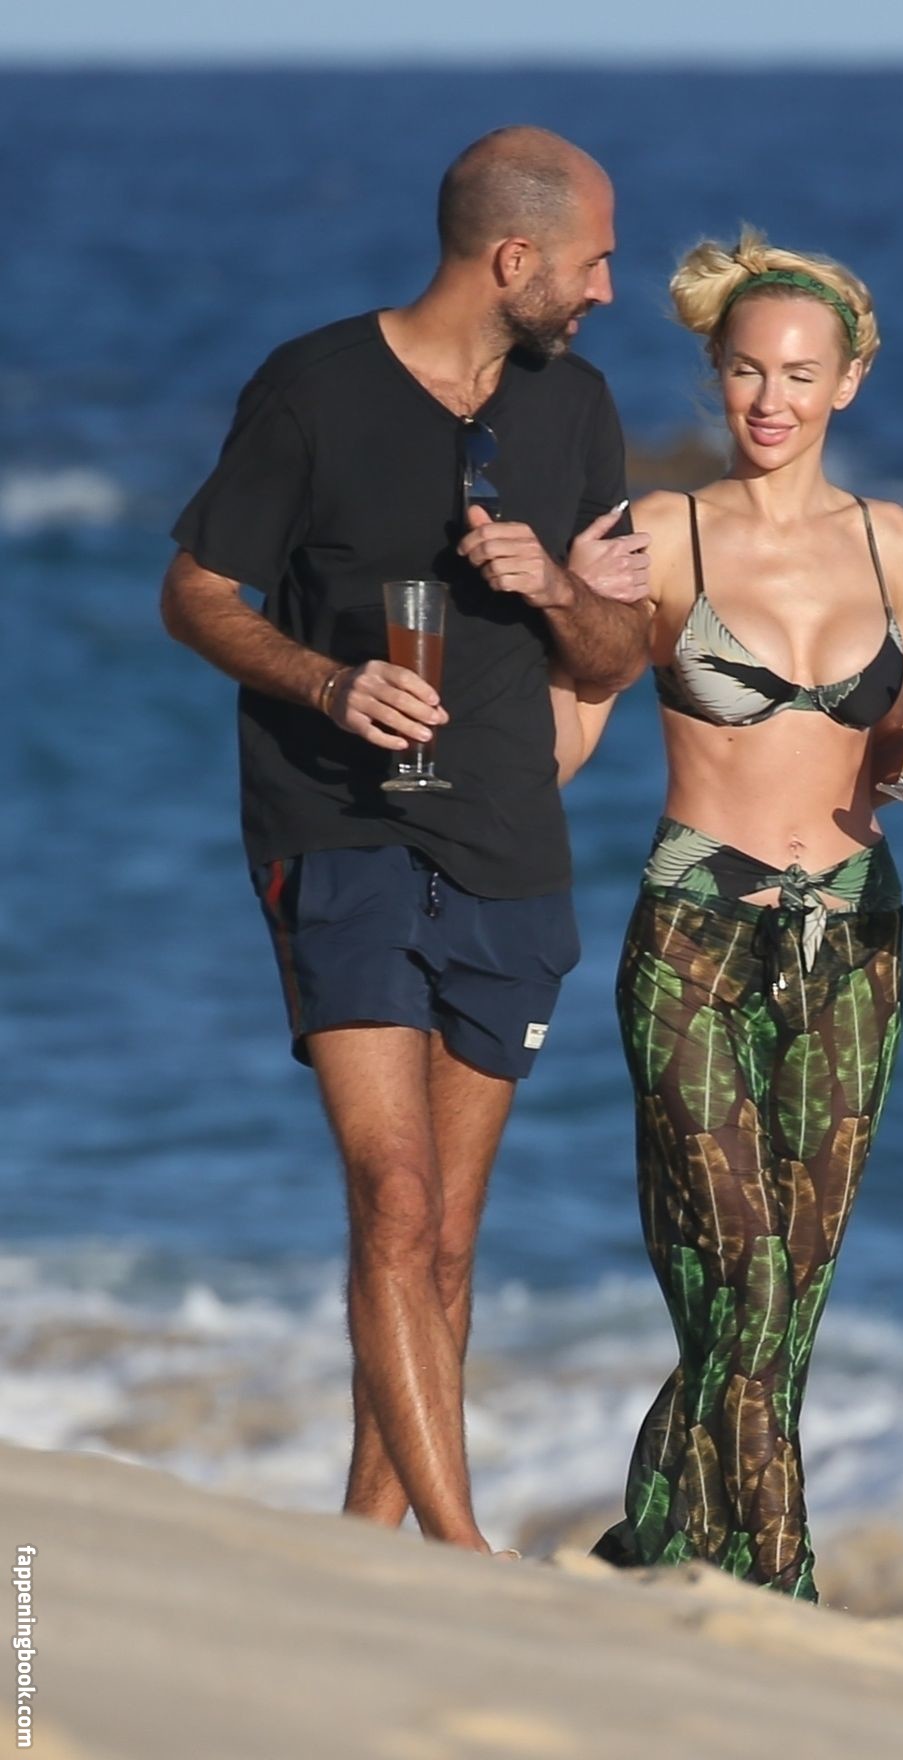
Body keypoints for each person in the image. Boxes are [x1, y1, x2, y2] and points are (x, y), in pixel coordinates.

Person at [160, 127, 650, 1557]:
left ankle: (368, 1553)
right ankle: (462, 1547)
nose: (605, 290)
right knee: (392, 1194)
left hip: (508, 843)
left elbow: (617, 654)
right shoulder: (311, 388)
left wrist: (555, 586)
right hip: (341, 828)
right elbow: (197, 592)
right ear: (514, 259)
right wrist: (328, 684)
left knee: (443, 1240)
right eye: (592, 263)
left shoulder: (578, 408)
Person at [556, 230, 903, 1600]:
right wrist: (440, 789)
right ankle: (779, 1583)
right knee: (741, 1273)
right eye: (748, 370)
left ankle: (659, 1546)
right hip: (694, 930)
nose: (771, 400)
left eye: (801, 375)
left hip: (855, 939)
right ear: (715, 370)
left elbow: (890, 777)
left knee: (788, 1297)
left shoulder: (900, 546)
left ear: (848, 382)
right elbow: (572, 721)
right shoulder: (658, 534)